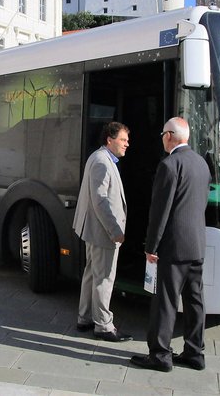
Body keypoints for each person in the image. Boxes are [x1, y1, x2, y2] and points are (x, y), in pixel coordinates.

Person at [130, 117, 211, 372]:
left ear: (169, 136)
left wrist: (151, 246)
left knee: (165, 301)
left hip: (173, 247)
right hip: (197, 245)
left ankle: (160, 355)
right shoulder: (201, 163)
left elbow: (160, 211)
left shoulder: (169, 164)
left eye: (163, 134)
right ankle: (194, 353)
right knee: (195, 300)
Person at [73, 121, 132, 342]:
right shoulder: (102, 162)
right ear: (110, 139)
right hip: (102, 232)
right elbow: (100, 201)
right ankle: (104, 326)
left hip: (94, 231)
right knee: (104, 277)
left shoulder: (99, 158)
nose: (127, 144)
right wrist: (115, 230)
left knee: (91, 274)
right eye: (123, 140)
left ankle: (85, 317)